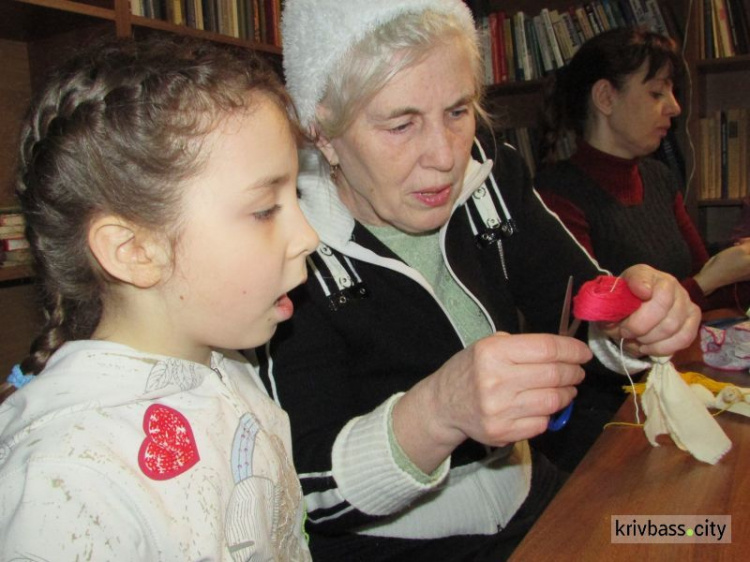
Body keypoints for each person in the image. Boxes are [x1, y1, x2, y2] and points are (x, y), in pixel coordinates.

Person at [253, 1, 700, 560]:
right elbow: (310, 492)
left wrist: (634, 321)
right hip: (395, 550)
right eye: (401, 123)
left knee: (697, 533)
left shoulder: (491, 179)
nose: (445, 157)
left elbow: (582, 309)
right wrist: (438, 412)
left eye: (459, 112)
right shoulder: (287, 255)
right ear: (320, 131)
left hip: (533, 503)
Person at [0, 36, 318, 561]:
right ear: (135, 251)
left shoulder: (227, 367)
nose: (309, 236)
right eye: (265, 209)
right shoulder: (66, 485)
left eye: (296, 197)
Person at [535, 27, 750, 314]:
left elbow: (707, 294)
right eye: (657, 93)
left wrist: (737, 268)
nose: (675, 107)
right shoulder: (555, 195)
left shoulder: (659, 177)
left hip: (679, 355)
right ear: (605, 98)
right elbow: (597, 323)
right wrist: (709, 279)